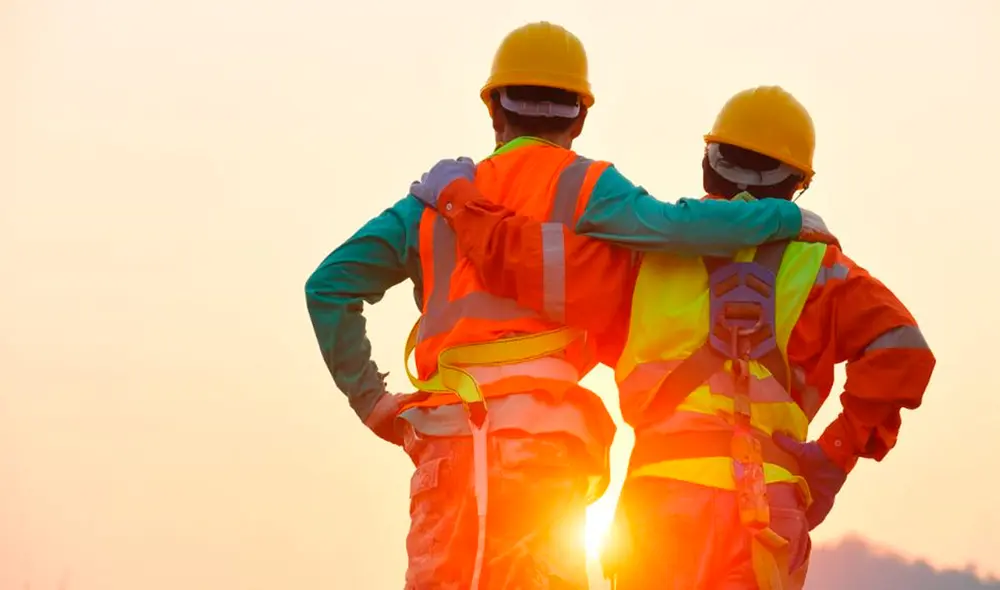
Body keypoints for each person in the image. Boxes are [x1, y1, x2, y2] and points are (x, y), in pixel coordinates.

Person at [306, 19, 834, 589]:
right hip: (542, 447)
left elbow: (328, 286)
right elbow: (678, 226)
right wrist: (784, 216)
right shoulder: (589, 187)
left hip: (447, 441)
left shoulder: (434, 204)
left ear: (493, 110)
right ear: (580, 117)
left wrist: (374, 402)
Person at [407, 84, 935, 589]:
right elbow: (905, 351)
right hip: (767, 511)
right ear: (798, 184)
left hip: (660, 512)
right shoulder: (826, 269)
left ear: (709, 165)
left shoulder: (640, 259)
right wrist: (833, 456)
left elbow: (519, 258)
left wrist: (459, 199)